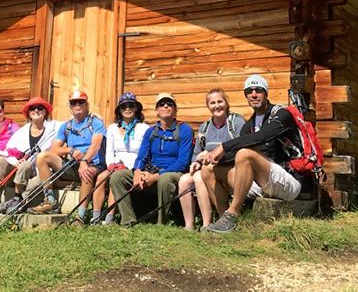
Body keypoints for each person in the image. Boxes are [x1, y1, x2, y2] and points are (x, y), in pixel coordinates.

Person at [202, 75, 303, 234]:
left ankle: (232, 214)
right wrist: (212, 157)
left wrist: (223, 146)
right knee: (208, 169)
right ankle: (225, 222)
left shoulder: (281, 114)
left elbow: (262, 136)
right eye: (249, 91)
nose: (254, 94)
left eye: (258, 90)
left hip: (288, 182)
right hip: (261, 183)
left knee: (244, 154)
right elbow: (233, 155)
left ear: (266, 93)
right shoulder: (249, 125)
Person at [109, 92, 193, 226]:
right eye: (161, 104)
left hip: (174, 173)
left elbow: (183, 163)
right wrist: (137, 171)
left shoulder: (184, 130)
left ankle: (162, 222)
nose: (165, 106)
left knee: (165, 180)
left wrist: (157, 176)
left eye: (169, 104)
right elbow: (142, 155)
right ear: (157, 110)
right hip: (151, 171)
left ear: (175, 109)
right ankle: (128, 220)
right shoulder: (151, 131)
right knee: (117, 177)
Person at [30, 89, 106, 222]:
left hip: (93, 163)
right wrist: (70, 150)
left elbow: (96, 145)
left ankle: (80, 216)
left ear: (86, 104)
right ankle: (50, 200)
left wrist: (84, 160)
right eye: (74, 102)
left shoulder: (95, 122)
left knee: (86, 172)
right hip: (73, 164)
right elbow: (54, 149)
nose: (77, 105)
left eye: (81, 102)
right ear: (70, 106)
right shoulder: (66, 126)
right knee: (42, 156)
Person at [178, 88, 244, 231]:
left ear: (226, 103)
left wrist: (213, 155)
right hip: (207, 167)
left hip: (229, 168)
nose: (217, 106)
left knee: (199, 178)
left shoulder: (236, 123)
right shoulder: (205, 127)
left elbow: (241, 148)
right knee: (184, 180)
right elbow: (197, 152)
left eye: (220, 101)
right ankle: (189, 225)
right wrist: (195, 162)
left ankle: (207, 223)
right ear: (208, 106)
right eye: (212, 103)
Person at [91, 92, 149, 225]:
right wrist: (111, 164)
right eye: (124, 106)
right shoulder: (112, 128)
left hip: (132, 166)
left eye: (131, 105)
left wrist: (128, 166)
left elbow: (143, 153)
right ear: (119, 110)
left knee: (115, 178)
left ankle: (109, 218)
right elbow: (110, 151)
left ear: (136, 108)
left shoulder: (144, 128)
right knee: (101, 177)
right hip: (115, 164)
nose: (127, 109)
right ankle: (95, 216)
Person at [1, 97, 62, 213]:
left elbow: (72, 122)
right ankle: (17, 198)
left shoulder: (55, 127)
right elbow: (9, 149)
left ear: (46, 112)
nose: (36, 111)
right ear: (28, 113)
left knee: (34, 185)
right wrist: (15, 161)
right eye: (32, 108)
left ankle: (19, 201)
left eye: (40, 108)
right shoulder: (22, 132)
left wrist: (92, 116)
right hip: (25, 171)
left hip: (43, 171)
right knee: (25, 165)